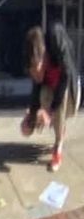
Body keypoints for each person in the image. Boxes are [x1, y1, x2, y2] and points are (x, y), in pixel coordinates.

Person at [21, 23, 78, 170]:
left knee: (59, 95)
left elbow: (65, 77)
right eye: (31, 73)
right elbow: (35, 92)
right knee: (43, 93)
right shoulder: (37, 72)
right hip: (53, 95)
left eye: (36, 70)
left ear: (43, 58)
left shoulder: (55, 39)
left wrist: (49, 111)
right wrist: (30, 119)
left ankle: (58, 145)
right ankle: (56, 126)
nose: (36, 76)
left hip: (71, 93)